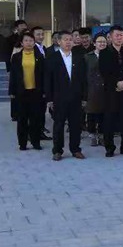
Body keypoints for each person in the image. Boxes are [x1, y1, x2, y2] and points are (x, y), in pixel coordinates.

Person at [45, 29, 87, 161]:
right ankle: (57, 150)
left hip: (76, 97)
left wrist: (84, 97)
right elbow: (48, 80)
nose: (68, 42)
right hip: (59, 97)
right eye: (65, 40)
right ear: (59, 41)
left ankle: (75, 149)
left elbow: (84, 79)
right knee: (59, 125)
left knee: (76, 125)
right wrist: (49, 99)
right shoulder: (52, 58)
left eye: (70, 40)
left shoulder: (79, 57)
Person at [99, 25, 123, 157]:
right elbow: (104, 72)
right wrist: (116, 83)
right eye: (117, 35)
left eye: (121, 35)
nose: (119, 38)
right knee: (109, 120)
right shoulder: (104, 53)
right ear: (110, 37)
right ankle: (109, 148)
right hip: (111, 91)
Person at [8, 31, 45, 151]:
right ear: (22, 43)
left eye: (31, 41)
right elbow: (13, 75)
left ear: (34, 42)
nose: (29, 43)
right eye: (26, 40)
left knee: (35, 119)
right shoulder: (16, 57)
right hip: (21, 92)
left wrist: (45, 91)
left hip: (36, 91)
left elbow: (43, 74)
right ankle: (22, 143)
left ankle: (36, 142)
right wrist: (12, 91)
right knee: (22, 119)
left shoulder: (39, 56)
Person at [85, 33, 107, 146]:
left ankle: (102, 136)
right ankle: (92, 135)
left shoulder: (109, 55)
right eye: (99, 42)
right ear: (94, 43)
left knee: (104, 114)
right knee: (91, 114)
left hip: (106, 89)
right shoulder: (88, 57)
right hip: (91, 89)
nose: (102, 44)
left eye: (104, 42)